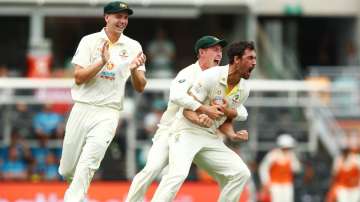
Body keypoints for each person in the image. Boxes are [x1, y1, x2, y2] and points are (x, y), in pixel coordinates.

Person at [126, 36, 249, 202]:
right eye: (215, 49)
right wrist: (205, 110)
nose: (219, 54)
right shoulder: (188, 73)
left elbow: (239, 110)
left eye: (220, 50)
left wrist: (230, 122)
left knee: (231, 174)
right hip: (171, 130)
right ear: (201, 52)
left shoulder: (220, 77)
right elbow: (177, 96)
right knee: (152, 170)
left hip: (200, 133)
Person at [58, 1, 147, 202]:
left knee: (90, 161)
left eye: (125, 17)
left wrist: (134, 70)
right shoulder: (89, 41)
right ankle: (76, 193)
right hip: (82, 107)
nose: (122, 21)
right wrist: (102, 62)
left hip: (109, 111)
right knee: (67, 169)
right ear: (107, 17)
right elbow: (79, 77)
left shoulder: (134, 46)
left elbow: (140, 86)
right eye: (118, 16)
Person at [259, 134, 301, 202]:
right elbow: (263, 169)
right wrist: (266, 182)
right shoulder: (272, 155)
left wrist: (293, 159)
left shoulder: (291, 155)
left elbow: (297, 169)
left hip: (287, 184)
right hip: (275, 185)